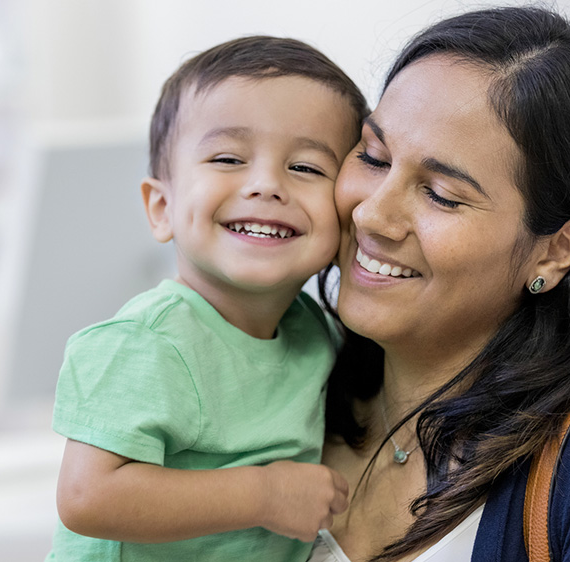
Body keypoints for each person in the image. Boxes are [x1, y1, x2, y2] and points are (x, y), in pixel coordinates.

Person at [311, 6, 570, 562]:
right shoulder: (291, 384)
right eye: (375, 156)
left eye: (441, 195)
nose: (372, 217)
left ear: (556, 250)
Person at [49, 36, 368, 561]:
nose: (267, 184)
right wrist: (265, 496)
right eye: (227, 158)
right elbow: (88, 497)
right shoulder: (144, 343)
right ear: (161, 207)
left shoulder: (317, 332)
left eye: (307, 168)